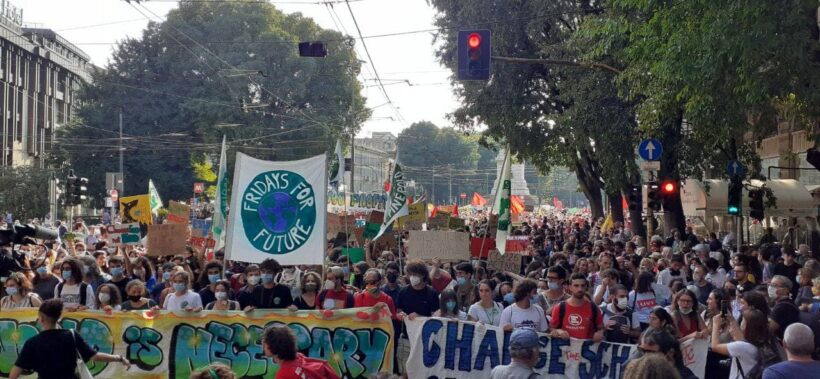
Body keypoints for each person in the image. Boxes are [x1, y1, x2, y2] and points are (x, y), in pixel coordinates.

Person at [9, 299, 131, 378]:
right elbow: (94, 356)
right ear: (59, 317)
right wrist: (119, 358)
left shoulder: (32, 343)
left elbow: (14, 374)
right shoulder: (71, 336)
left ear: (40, 318)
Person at [395, 260, 439, 376]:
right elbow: (398, 310)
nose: (412, 277)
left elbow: (436, 316)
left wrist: (420, 318)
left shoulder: (432, 293)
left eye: (415, 274)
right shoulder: (403, 292)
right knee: (404, 371)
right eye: (410, 274)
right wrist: (401, 315)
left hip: (425, 340)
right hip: (406, 337)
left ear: (423, 275)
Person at [710, 308, 770, 379]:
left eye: (743, 322)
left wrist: (715, 324)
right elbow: (741, 338)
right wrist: (732, 319)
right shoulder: (760, 342)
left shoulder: (742, 347)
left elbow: (714, 346)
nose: (741, 324)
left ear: (748, 326)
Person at [261, 325, 339, 379]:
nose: (263, 345)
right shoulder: (299, 357)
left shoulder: (283, 375)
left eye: (265, 343)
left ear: (274, 346)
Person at [550, 273, 603, 341]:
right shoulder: (560, 307)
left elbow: (601, 328)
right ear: (570, 287)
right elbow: (551, 328)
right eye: (576, 286)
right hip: (565, 349)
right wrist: (559, 331)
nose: (580, 289)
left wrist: (599, 333)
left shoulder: (593, 308)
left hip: (587, 350)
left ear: (586, 287)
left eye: (582, 286)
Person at [768, 275, 800, 339]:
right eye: (770, 285)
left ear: (786, 290)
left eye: (774, 285)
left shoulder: (783, 307)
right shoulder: (780, 303)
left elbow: (768, 331)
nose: (770, 288)